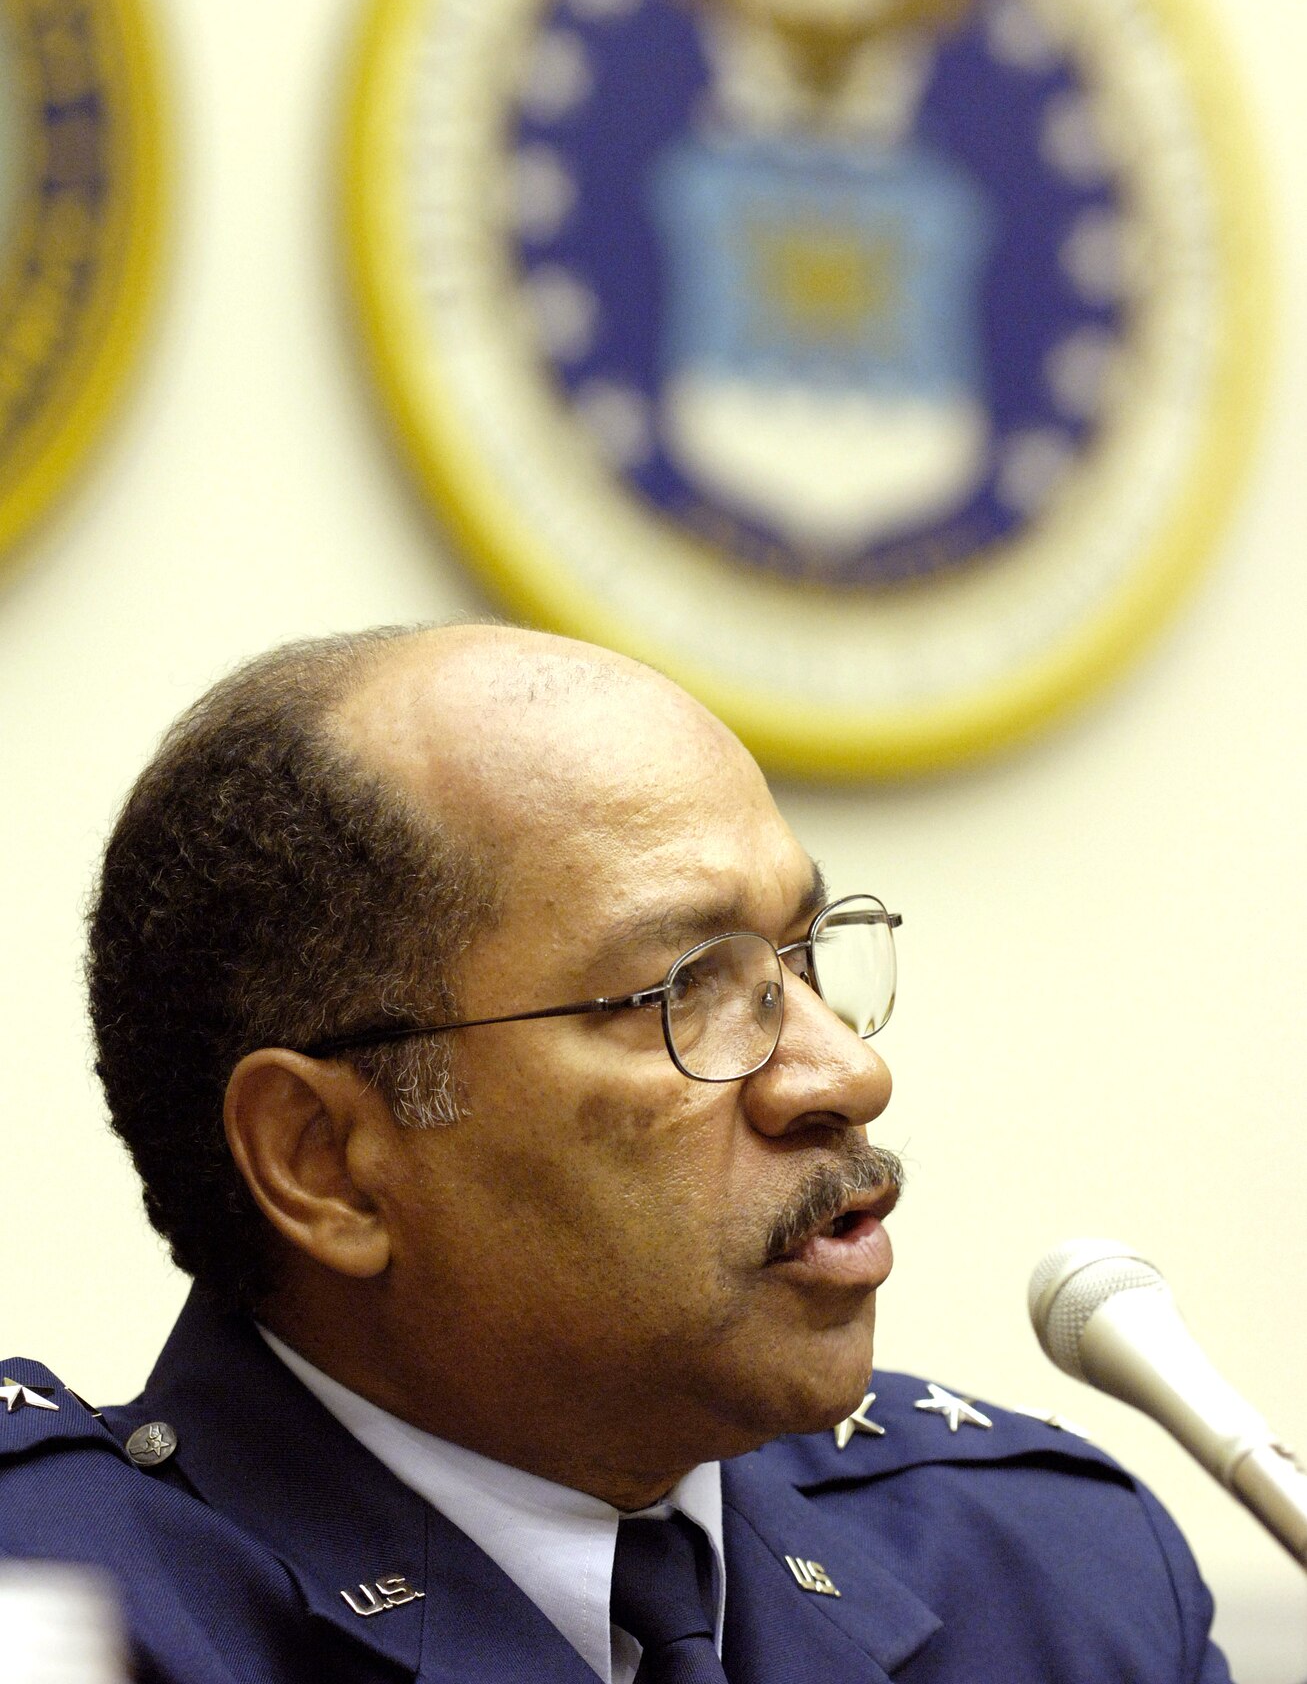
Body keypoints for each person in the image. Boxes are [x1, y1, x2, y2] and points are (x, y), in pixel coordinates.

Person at [0, 624, 1229, 1682]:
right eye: (679, 992)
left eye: (798, 958)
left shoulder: (1054, 1581)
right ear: (325, 1159)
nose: (846, 1075)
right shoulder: (68, 1610)